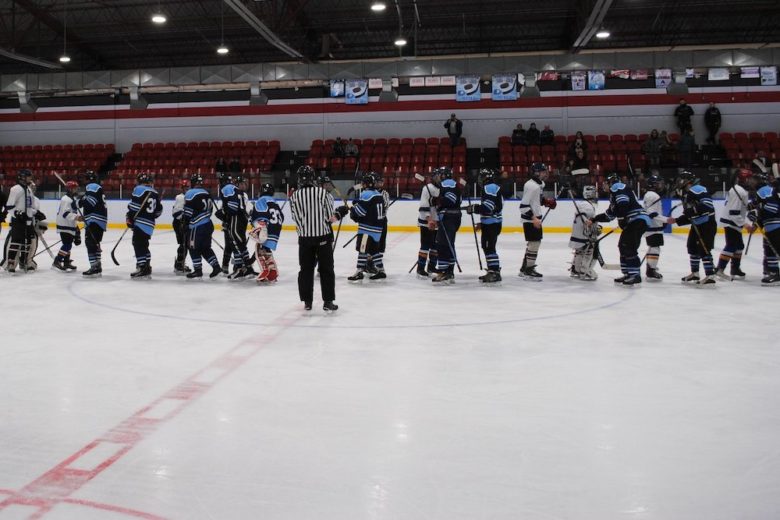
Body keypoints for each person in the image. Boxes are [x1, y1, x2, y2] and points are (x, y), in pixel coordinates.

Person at [290, 165, 347, 311]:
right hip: (323, 237)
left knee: (305, 270)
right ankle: (328, 302)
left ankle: (307, 302)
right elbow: (330, 217)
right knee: (326, 270)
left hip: (304, 239)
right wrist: (340, 212)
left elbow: (295, 218)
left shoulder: (294, 196)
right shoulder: (322, 193)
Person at [591, 173, 652, 285]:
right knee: (623, 246)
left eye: (605, 183)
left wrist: (622, 218)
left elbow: (624, 203)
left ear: (610, 182)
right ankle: (628, 273)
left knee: (628, 246)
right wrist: (594, 219)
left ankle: (635, 275)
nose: (603, 186)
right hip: (635, 221)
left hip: (638, 219)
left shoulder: (617, 186)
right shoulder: (613, 197)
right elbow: (609, 216)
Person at [666, 171, 717, 285]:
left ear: (687, 180)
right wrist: (677, 220)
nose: (679, 182)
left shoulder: (698, 188)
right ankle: (695, 274)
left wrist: (691, 211)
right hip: (697, 224)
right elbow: (690, 214)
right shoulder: (685, 193)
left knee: (704, 249)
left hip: (706, 224)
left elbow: (707, 205)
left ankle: (710, 275)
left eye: (681, 180)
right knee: (692, 247)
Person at [347, 171, 387, 282]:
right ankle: (381, 270)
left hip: (367, 229)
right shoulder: (379, 195)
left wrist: (352, 210)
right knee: (374, 251)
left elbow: (360, 212)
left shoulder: (366, 194)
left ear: (366, 184)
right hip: (378, 229)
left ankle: (359, 271)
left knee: (362, 249)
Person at [519, 162, 556, 280]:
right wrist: (533, 218)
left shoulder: (540, 184)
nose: (546, 173)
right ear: (536, 173)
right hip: (531, 220)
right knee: (534, 244)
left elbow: (537, 200)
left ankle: (525, 268)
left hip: (534, 218)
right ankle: (529, 269)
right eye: (543, 171)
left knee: (532, 244)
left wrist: (546, 202)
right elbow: (523, 206)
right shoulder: (531, 186)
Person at [183, 173, 222, 279]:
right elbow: (211, 209)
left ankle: (198, 270)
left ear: (193, 182)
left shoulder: (190, 193)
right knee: (205, 248)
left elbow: (188, 211)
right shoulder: (206, 192)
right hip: (208, 224)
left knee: (193, 247)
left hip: (197, 226)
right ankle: (216, 266)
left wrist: (185, 223)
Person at [715, 168, 752, 280]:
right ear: (744, 179)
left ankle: (735, 268)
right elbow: (733, 213)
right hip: (731, 222)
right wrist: (746, 225)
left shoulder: (739, 190)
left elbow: (740, 207)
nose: (751, 181)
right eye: (749, 178)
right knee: (731, 245)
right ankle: (719, 270)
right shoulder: (739, 191)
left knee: (739, 246)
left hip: (733, 222)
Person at [468, 168, 503, 283]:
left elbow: (488, 208)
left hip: (492, 224)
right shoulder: (492, 187)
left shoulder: (490, 187)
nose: (480, 179)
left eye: (481, 177)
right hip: (491, 223)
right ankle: (493, 271)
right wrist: (482, 224)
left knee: (489, 247)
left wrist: (474, 208)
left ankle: (494, 272)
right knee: (487, 246)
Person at [126, 172, 163, 279]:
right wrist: (149, 215)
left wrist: (130, 218)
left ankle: (142, 267)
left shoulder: (138, 189)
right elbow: (158, 212)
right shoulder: (155, 192)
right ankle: (147, 266)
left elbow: (134, 206)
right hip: (150, 224)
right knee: (144, 244)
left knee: (137, 244)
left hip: (141, 223)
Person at [218, 173, 252, 280]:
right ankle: (227, 266)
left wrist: (223, 214)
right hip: (233, 221)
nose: (243, 185)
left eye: (244, 183)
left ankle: (240, 267)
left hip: (235, 220)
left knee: (236, 244)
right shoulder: (236, 192)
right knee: (231, 245)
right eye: (241, 183)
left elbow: (234, 208)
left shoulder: (237, 193)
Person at [432, 166, 462, 284]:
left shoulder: (447, 183)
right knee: (449, 244)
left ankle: (444, 272)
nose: (438, 177)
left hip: (449, 218)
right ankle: (449, 270)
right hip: (453, 217)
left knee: (443, 244)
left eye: (440, 174)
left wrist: (438, 200)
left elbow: (451, 199)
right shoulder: (452, 183)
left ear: (444, 175)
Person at [250, 183, 284, 283]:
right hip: (276, 228)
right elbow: (281, 217)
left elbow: (261, 215)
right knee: (265, 249)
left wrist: (261, 228)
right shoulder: (274, 202)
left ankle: (266, 271)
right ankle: (272, 270)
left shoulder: (261, 200)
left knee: (259, 248)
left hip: (267, 227)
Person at [2, 170, 34, 273]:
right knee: (15, 242)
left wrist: (34, 212)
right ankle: (11, 264)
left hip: (28, 221)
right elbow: (9, 206)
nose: (30, 178)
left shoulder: (29, 189)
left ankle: (24, 262)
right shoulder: (15, 189)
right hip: (18, 221)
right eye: (28, 177)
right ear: (22, 177)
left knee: (28, 242)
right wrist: (18, 213)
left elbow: (30, 206)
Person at [750, 180, 780, 285]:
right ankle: (773, 272)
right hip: (772, 226)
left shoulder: (764, 190)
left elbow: (772, 207)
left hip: (775, 225)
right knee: (769, 249)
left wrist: (756, 211)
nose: (751, 182)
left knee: (773, 250)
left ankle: (774, 274)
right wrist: (757, 219)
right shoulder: (768, 190)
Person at [568, 185, 600, 281]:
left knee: (580, 251)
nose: (596, 195)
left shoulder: (584, 204)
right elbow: (584, 217)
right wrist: (592, 229)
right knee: (588, 251)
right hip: (583, 232)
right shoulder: (587, 205)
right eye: (595, 193)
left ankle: (575, 270)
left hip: (579, 232)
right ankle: (584, 272)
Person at [79, 170, 107, 277]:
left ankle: (94, 266)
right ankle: (97, 265)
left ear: (88, 179)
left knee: (90, 243)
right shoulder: (97, 187)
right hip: (100, 220)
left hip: (94, 219)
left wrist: (79, 201)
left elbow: (90, 203)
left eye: (85, 178)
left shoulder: (91, 186)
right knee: (95, 243)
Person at [415, 170, 441, 277]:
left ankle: (431, 266)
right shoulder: (427, 188)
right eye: (438, 176)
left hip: (437, 221)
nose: (440, 178)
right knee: (425, 245)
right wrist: (429, 219)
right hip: (426, 222)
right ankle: (420, 268)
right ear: (434, 177)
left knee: (435, 246)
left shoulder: (442, 188)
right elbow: (424, 204)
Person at [53, 180, 82, 272]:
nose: (76, 189)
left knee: (68, 244)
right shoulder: (66, 199)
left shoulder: (71, 198)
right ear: (69, 189)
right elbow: (65, 213)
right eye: (74, 188)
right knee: (67, 245)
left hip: (69, 224)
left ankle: (66, 262)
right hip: (64, 224)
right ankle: (57, 260)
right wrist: (77, 217)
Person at [642, 174, 666, 280]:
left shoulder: (650, 194)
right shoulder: (653, 196)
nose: (660, 185)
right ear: (653, 185)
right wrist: (665, 219)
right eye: (658, 183)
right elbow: (652, 213)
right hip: (653, 226)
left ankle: (650, 267)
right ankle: (651, 270)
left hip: (651, 225)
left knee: (653, 247)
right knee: (655, 247)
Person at [172, 179, 191, 275]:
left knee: (186, 244)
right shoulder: (180, 197)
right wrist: (184, 217)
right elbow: (176, 213)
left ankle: (180, 263)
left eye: (188, 187)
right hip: (179, 223)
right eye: (185, 188)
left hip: (184, 223)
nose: (187, 189)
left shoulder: (190, 196)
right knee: (184, 244)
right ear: (182, 188)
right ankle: (179, 264)